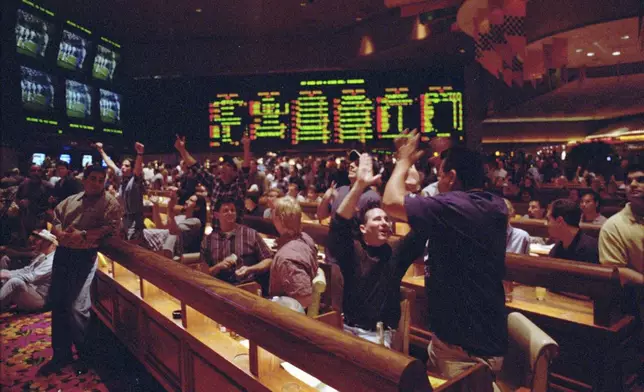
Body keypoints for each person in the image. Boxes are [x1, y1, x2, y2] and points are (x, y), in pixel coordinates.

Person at [382, 130, 507, 379]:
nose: (436, 184)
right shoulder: (490, 205)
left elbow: (390, 201)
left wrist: (404, 161)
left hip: (464, 352)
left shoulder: (458, 207)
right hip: (464, 338)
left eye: (439, 176)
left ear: (451, 177)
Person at [328, 153, 424, 347]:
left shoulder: (394, 253)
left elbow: (422, 228)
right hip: (347, 330)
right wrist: (360, 186)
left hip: (379, 337)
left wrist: (415, 190)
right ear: (362, 228)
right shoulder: (353, 251)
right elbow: (339, 223)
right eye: (377, 219)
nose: (384, 223)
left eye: (386, 219)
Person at [39, 164, 121, 376]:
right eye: (92, 178)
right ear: (84, 180)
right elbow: (55, 217)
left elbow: (111, 229)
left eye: (100, 179)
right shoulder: (72, 200)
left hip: (87, 257)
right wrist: (59, 232)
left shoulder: (109, 203)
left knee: (78, 308)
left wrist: (82, 234)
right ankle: (61, 354)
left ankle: (86, 356)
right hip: (64, 254)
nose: (95, 182)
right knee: (58, 304)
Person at [174, 134, 251, 225]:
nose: (223, 167)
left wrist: (246, 147)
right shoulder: (216, 182)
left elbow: (245, 171)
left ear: (235, 173)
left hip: (233, 234)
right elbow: (196, 167)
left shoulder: (238, 186)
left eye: (229, 165)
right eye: (223, 164)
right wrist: (182, 150)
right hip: (216, 231)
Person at [201, 198, 273, 291]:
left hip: (247, 287)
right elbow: (202, 272)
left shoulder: (250, 234)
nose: (230, 213)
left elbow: (269, 260)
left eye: (232, 210)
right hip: (220, 289)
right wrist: (218, 267)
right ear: (216, 215)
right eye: (225, 211)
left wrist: (250, 269)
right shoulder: (208, 240)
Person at [269, 197, 318, 313]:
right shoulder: (306, 237)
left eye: (273, 213)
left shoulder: (287, 259)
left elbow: (304, 300)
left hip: (286, 315)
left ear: (278, 219)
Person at [599, 163, 644, 274]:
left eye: (641, 180)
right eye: (628, 181)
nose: (633, 184)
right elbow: (617, 275)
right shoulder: (613, 227)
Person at [95, 141, 145, 240]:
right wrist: (101, 150)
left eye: (127, 166)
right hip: (124, 217)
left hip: (135, 219)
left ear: (132, 169)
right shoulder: (122, 176)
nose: (123, 167)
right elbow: (110, 164)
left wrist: (140, 154)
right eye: (122, 165)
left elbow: (138, 169)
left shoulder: (135, 180)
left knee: (132, 245)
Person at [0, 229, 57, 312]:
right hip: (32, 291)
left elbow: (32, 277)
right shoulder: (41, 256)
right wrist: (6, 273)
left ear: (48, 242)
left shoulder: (52, 260)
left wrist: (7, 275)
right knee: (7, 274)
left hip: (41, 299)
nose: (35, 242)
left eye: (39, 239)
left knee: (15, 281)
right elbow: (26, 270)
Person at [546, 199, 599, 264]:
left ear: (560, 221)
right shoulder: (558, 247)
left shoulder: (591, 250)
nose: (546, 224)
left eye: (548, 220)